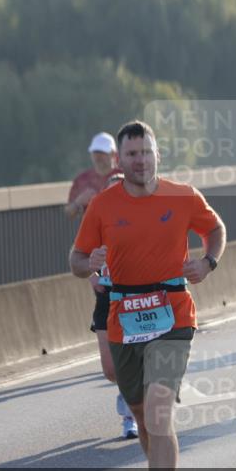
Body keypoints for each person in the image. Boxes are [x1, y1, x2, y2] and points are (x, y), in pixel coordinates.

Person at [69, 120, 226, 471]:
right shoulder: (104, 204)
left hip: (172, 309)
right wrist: (91, 264)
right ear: (119, 161)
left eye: (146, 152)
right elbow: (76, 259)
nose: (140, 160)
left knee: (158, 411)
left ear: (159, 155)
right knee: (141, 416)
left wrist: (208, 263)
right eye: (132, 154)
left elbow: (215, 229)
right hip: (123, 315)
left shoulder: (183, 196)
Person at [67, 132, 137, 439]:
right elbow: (78, 253)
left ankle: (131, 412)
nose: (98, 157)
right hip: (106, 293)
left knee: (134, 355)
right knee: (111, 369)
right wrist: (92, 272)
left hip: (136, 295)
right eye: (94, 152)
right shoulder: (83, 182)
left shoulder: (135, 214)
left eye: (103, 152)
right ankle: (128, 390)